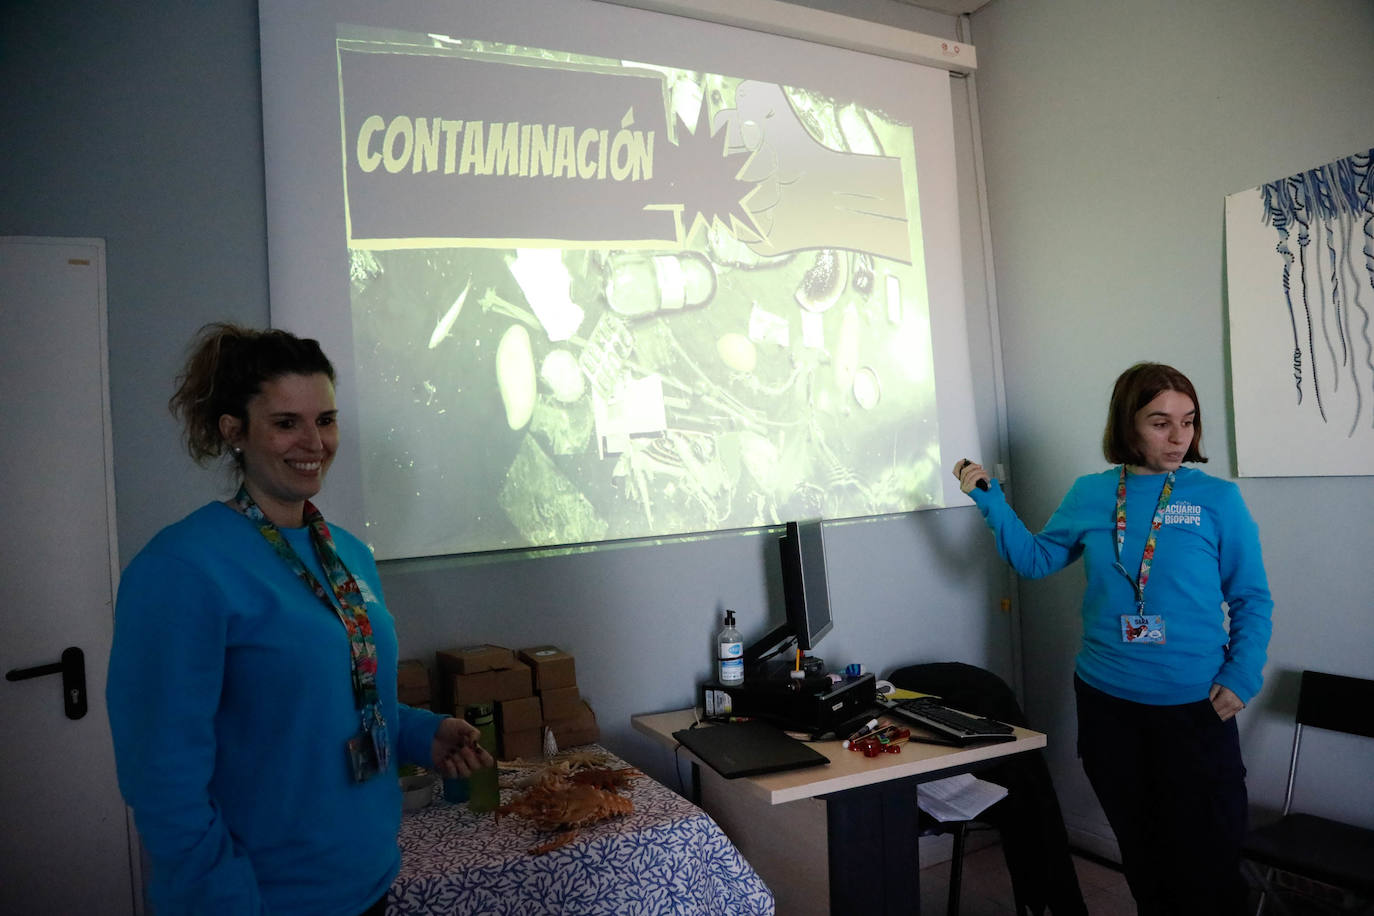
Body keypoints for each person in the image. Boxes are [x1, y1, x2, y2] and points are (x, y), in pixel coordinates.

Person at [107, 323, 493, 915]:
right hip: (263, 901)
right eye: (286, 423)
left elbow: (340, 697)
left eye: (326, 420)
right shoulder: (181, 567)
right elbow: (161, 778)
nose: (314, 441)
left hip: (367, 881)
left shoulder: (348, 554)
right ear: (234, 432)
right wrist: (225, 901)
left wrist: (421, 731)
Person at [954, 362, 1272, 916]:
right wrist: (990, 499)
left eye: (1188, 422)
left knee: (1209, 864)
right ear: (1127, 424)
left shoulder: (1217, 500)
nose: (1179, 438)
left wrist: (1241, 675)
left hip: (1196, 709)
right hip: (1108, 707)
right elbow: (1035, 560)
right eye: (1160, 422)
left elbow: (1251, 598)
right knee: (1144, 855)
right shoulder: (1092, 494)